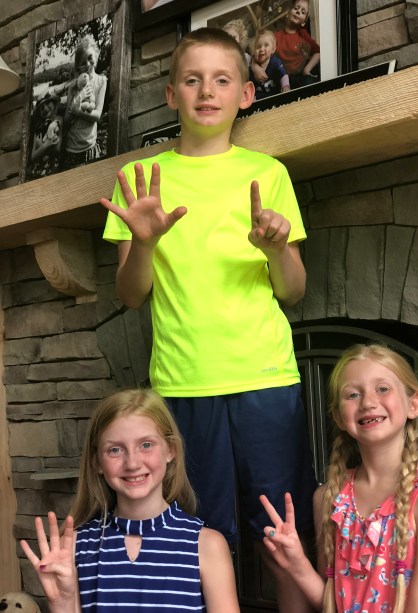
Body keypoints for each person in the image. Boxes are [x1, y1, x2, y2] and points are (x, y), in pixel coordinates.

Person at [100, 27, 317, 613]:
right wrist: (144, 243)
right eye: (192, 80)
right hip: (182, 386)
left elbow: (294, 291)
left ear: (245, 94)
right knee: (201, 540)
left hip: (266, 378)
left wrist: (277, 249)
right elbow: (131, 295)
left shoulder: (268, 173)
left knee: (283, 536)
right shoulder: (139, 180)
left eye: (221, 80)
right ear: (171, 94)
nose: (206, 91)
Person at [261, 343, 418, 613]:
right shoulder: (329, 498)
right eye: (353, 394)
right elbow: (330, 603)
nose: (367, 402)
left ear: (414, 404)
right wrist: (297, 565)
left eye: (382, 389)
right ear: (338, 417)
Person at [20, 388, 239, 612]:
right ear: (97, 462)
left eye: (146, 445)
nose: (132, 463)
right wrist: (61, 604)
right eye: (115, 450)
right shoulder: (75, 546)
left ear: (170, 450)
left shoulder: (207, 546)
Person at [61, 33, 107, 170]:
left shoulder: (101, 81)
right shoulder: (73, 86)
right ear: (78, 66)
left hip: (89, 147)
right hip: (71, 148)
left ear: (96, 55)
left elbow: (97, 116)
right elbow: (66, 120)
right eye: (82, 62)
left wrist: (76, 111)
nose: (87, 64)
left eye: (90, 57)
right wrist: (79, 96)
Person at [253, 0, 320, 90]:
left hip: (300, 76)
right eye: (296, 8)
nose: (298, 11)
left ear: (304, 22)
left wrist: (307, 69)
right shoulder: (276, 36)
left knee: (311, 85)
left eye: (303, 12)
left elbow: (317, 52)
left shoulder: (302, 34)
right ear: (288, 13)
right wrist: (255, 67)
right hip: (282, 78)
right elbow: (257, 52)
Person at [28, 92, 63, 179]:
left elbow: (57, 150)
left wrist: (41, 146)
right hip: (37, 172)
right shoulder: (38, 129)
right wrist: (46, 145)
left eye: (47, 103)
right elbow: (33, 157)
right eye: (42, 108)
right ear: (39, 113)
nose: (45, 108)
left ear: (53, 103)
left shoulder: (58, 120)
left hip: (51, 170)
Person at [249, 29, 290, 99]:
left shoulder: (275, 62)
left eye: (266, 45)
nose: (261, 49)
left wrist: (285, 86)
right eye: (258, 47)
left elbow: (283, 75)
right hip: (259, 98)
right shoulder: (251, 67)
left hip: (275, 95)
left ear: (273, 49)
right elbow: (249, 83)